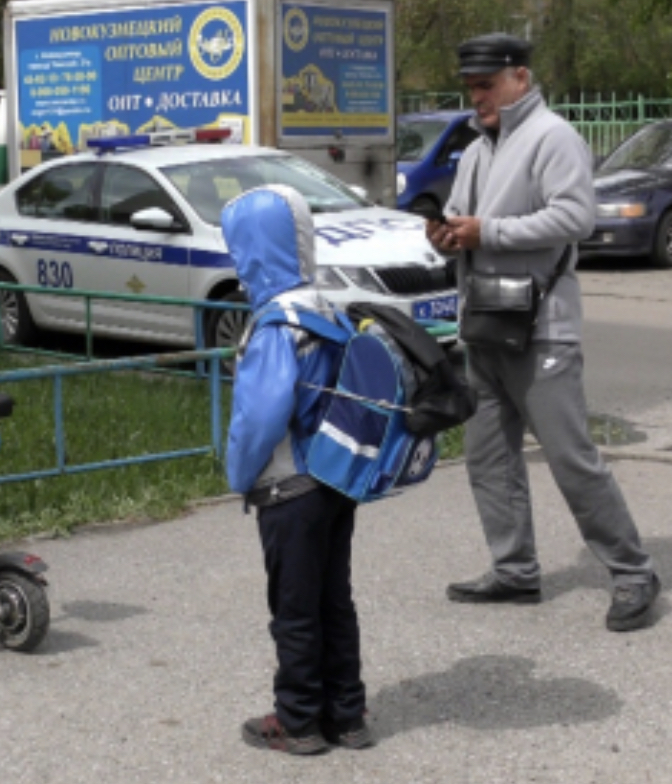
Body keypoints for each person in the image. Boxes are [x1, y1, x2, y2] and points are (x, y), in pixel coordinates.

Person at [426, 33, 661, 632]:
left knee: (570, 458)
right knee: (488, 457)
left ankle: (633, 572)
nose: (477, 97)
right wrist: (448, 235)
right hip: (485, 321)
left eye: (486, 85)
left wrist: (488, 232)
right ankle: (514, 569)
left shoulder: (553, 136)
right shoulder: (478, 149)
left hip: (542, 327)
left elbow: (576, 217)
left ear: (521, 79)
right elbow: (465, 219)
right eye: (471, 88)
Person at [222, 184, 373, 754]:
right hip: (336, 478)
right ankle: (347, 715)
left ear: (254, 249)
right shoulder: (326, 308)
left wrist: (239, 475)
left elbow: (260, 417)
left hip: (288, 488)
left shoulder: (273, 325)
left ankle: (299, 720)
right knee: (335, 600)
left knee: (294, 608)